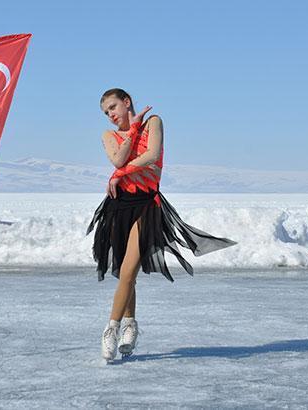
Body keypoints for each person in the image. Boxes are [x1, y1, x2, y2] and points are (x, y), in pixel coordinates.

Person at [86, 88, 238, 361]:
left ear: (126, 102)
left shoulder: (153, 122)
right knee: (123, 273)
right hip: (118, 207)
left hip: (147, 205)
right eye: (106, 112)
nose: (110, 115)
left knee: (130, 269)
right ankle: (131, 323)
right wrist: (130, 134)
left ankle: (111, 329)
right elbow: (118, 157)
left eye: (112, 107)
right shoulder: (109, 136)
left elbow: (153, 156)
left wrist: (120, 173)